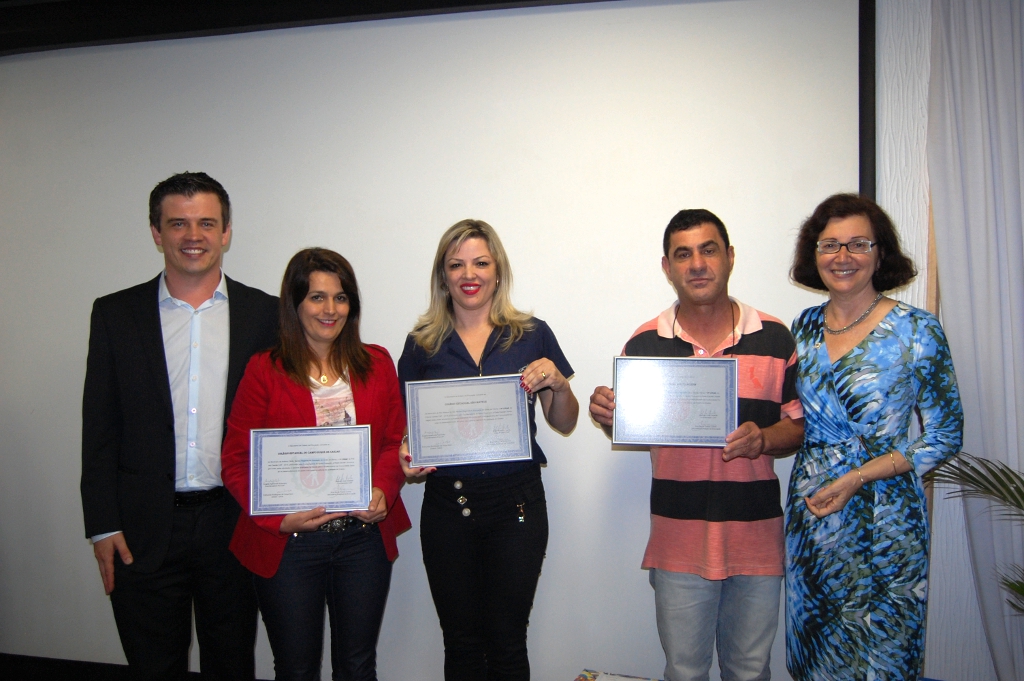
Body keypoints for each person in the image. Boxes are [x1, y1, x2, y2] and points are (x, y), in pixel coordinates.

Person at [589, 209, 805, 681]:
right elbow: (631, 425)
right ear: (667, 267)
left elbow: (798, 427)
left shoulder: (775, 337)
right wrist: (609, 415)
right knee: (685, 672)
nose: (698, 264)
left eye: (709, 250)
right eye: (683, 255)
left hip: (755, 538)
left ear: (729, 257)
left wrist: (763, 439)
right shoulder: (644, 342)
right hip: (678, 539)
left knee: (750, 671)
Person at [81, 172, 278, 680]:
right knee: (153, 666)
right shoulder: (115, 314)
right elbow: (99, 428)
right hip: (141, 529)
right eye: (178, 223)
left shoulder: (267, 315)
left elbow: (286, 419)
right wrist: (103, 525)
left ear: (226, 232)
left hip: (233, 524)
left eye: (207, 223)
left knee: (231, 664)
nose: (194, 235)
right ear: (156, 232)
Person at [785, 194, 963, 680]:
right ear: (814, 254)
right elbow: (789, 416)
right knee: (817, 651)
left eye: (858, 244)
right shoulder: (802, 328)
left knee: (882, 655)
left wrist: (860, 476)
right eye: (830, 245)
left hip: (886, 514)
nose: (842, 257)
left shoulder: (917, 330)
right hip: (814, 513)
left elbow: (945, 435)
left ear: (880, 253)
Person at [397, 219, 579, 681]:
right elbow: (408, 432)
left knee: (507, 641)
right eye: (455, 265)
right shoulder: (421, 344)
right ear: (443, 276)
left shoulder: (532, 334)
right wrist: (406, 456)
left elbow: (565, 422)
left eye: (480, 262)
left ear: (498, 271)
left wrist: (559, 384)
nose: (469, 274)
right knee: (460, 643)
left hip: (516, 505)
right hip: (447, 506)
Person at [220, 248, 409, 681]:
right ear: (295, 303)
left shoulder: (377, 363)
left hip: (362, 540)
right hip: (291, 545)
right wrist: (277, 519)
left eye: (340, 298)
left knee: (357, 665)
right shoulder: (264, 370)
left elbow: (392, 442)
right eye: (317, 297)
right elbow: (235, 460)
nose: (330, 309)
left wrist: (382, 489)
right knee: (296, 667)